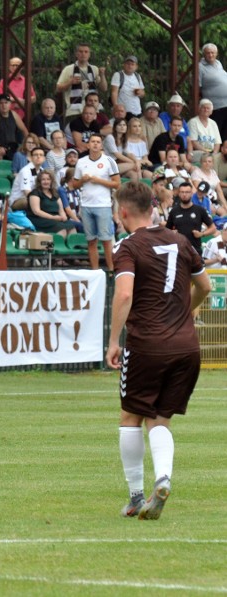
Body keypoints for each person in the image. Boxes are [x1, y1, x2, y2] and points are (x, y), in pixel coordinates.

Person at [107, 180, 211, 519]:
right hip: (186, 346)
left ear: (123, 212)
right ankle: (163, 479)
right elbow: (205, 285)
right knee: (160, 420)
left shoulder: (127, 247)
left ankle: (137, 495)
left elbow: (124, 294)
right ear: (153, 208)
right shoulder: (180, 241)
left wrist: (112, 341)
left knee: (130, 417)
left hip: (148, 345)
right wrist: (185, 311)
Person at [70, 134, 120, 270]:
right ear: (88, 145)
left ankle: (111, 271)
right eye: (93, 142)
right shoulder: (81, 162)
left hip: (103, 205)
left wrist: (98, 181)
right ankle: (95, 271)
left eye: (98, 142)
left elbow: (117, 184)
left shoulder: (109, 161)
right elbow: (74, 185)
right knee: (91, 241)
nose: (95, 144)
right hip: (86, 205)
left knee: (106, 240)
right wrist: (83, 181)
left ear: (102, 145)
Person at [56, 43, 107, 120]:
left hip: (92, 111)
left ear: (89, 54)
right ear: (76, 54)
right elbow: (58, 88)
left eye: (86, 52)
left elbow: (104, 88)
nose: (83, 54)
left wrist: (102, 75)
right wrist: (70, 82)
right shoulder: (68, 69)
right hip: (74, 111)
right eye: (81, 51)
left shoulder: (94, 69)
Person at [166, 182, 216, 256]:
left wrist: (201, 234)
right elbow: (166, 230)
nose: (184, 194)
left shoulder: (200, 210)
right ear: (179, 194)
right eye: (182, 192)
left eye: (187, 192)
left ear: (191, 193)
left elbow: (213, 228)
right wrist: (171, 233)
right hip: (179, 251)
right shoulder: (174, 211)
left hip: (195, 251)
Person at [26, 170, 77, 238]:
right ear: (39, 181)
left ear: (51, 181)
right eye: (43, 179)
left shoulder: (55, 194)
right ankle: (56, 246)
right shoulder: (35, 193)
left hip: (55, 218)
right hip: (39, 219)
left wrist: (63, 217)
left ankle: (70, 247)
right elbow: (36, 211)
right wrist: (52, 217)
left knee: (71, 227)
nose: (46, 181)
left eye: (48, 179)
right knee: (61, 229)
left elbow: (61, 210)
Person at [0, 94, 29, 161]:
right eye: (1, 103)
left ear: (10, 104)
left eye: (6, 103)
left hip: (11, 147)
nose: (4, 105)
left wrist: (26, 145)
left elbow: (24, 130)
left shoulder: (14, 114)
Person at [199, 43, 227, 140]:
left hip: (225, 104)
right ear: (203, 54)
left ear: (216, 53)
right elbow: (197, 86)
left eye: (212, 53)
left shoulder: (218, 63)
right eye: (208, 53)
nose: (210, 55)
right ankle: (215, 152)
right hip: (215, 106)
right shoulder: (200, 67)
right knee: (216, 131)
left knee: (225, 131)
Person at [0, 56, 36, 121]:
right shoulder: (4, 81)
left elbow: (33, 98)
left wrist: (23, 102)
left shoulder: (26, 81)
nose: (15, 67)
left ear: (22, 67)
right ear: (9, 67)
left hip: (23, 116)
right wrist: (18, 101)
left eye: (17, 65)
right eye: (13, 65)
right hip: (7, 116)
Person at [187, 98, 222, 163]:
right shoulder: (193, 122)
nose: (206, 110)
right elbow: (193, 142)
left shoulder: (213, 123)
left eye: (208, 108)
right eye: (203, 108)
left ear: (211, 111)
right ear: (199, 109)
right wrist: (207, 153)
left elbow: (217, 143)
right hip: (198, 152)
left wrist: (214, 154)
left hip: (212, 153)